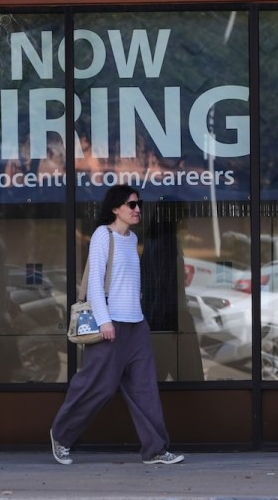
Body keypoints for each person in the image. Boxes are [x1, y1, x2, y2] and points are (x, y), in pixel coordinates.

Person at [49, 184, 184, 466]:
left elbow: (130, 285)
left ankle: (155, 449)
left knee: (145, 388)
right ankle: (61, 436)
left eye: (139, 205)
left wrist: (141, 315)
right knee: (97, 386)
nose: (137, 210)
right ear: (115, 209)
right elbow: (95, 282)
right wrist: (105, 320)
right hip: (109, 326)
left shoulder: (132, 239)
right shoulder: (103, 235)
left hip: (136, 325)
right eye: (131, 205)